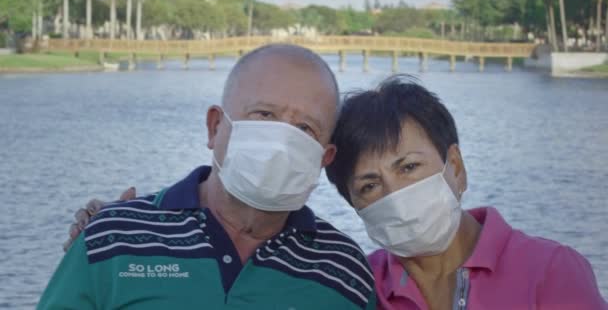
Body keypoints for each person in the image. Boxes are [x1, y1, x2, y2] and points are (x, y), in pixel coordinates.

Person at [38, 44, 376, 309]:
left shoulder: (344, 271)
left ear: (323, 158)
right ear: (216, 126)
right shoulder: (112, 238)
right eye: (264, 115)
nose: (281, 143)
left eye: (305, 128)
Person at [325, 75, 607, 310]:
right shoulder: (357, 286)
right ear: (354, 204)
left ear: (456, 168)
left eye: (409, 167)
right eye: (370, 186)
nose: (395, 196)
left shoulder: (550, 271)